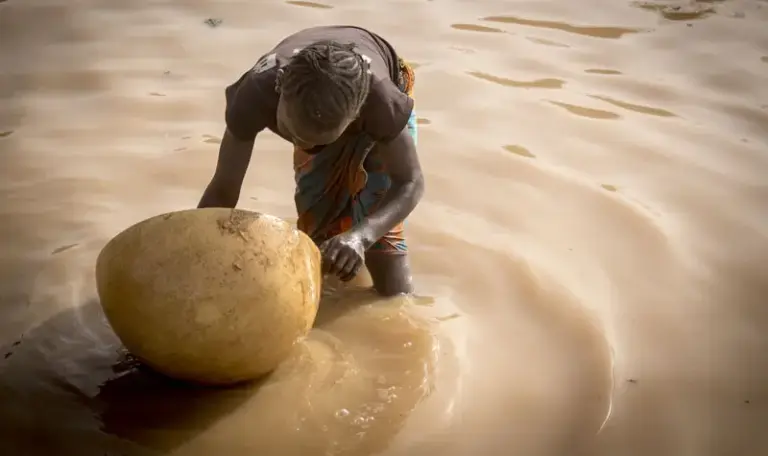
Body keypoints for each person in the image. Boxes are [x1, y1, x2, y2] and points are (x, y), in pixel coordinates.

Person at [197, 25, 424, 296]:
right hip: (327, 109)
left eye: (317, 142)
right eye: (290, 132)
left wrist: (361, 237)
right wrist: (196, 254)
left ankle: (400, 314)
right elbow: (223, 191)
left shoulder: (382, 103)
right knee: (319, 241)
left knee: (381, 243)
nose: (302, 145)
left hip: (375, 116)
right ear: (279, 86)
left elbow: (410, 182)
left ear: (355, 117)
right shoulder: (253, 95)